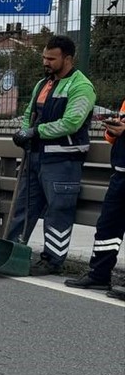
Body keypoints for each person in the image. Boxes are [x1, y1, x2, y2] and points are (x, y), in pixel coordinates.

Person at [6, 35, 97, 276]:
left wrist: (35, 132)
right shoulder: (42, 84)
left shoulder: (81, 86)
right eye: (44, 57)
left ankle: (52, 260)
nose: (46, 62)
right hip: (35, 157)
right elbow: (30, 113)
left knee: (59, 211)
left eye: (51, 58)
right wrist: (24, 132)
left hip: (63, 161)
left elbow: (71, 122)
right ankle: (13, 252)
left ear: (68, 58)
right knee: (23, 208)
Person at [64, 99, 125, 299]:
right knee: (108, 227)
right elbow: (114, 138)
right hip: (120, 174)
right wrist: (113, 130)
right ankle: (99, 275)